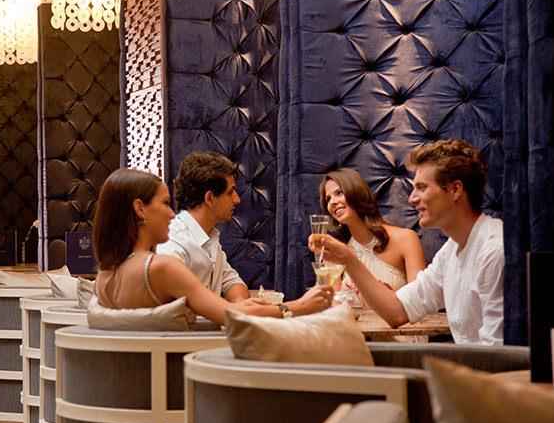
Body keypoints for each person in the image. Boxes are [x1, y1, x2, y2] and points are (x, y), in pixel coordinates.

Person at [309, 139, 504, 345]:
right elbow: (397, 312)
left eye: (421, 187)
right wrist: (349, 259)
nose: (412, 199)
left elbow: (498, 353)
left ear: (455, 190)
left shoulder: (494, 251)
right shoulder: (450, 251)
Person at [93, 168, 331, 325]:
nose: (172, 213)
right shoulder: (161, 268)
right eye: (165, 203)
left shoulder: (105, 274)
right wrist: (300, 306)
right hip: (180, 379)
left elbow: (230, 294)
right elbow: (235, 316)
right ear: (140, 208)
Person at [318, 168, 425, 300]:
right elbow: (332, 303)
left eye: (339, 193)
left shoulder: (406, 239)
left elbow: (420, 301)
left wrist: (386, 294)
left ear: (356, 192)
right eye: (328, 199)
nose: (333, 202)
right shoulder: (338, 249)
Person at [157, 151, 248, 302]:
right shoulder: (173, 245)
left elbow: (231, 282)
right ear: (210, 198)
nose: (237, 199)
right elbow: (180, 307)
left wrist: (241, 305)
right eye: (230, 192)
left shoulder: (210, 236)